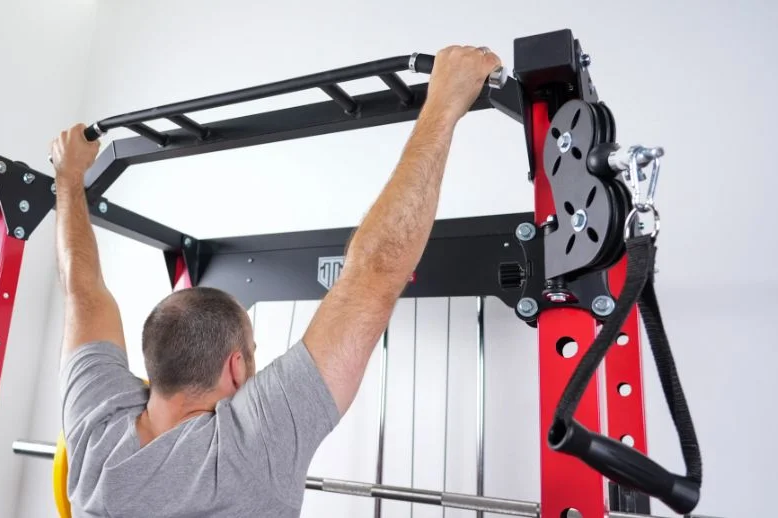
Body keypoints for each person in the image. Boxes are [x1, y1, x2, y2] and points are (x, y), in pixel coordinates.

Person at [52, 45, 502, 518]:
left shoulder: (93, 433)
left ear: (154, 366)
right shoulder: (245, 452)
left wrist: (68, 177)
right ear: (235, 368)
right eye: (252, 352)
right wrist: (444, 104)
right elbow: (373, 274)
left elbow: (82, 291)